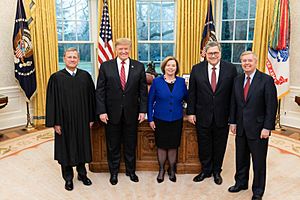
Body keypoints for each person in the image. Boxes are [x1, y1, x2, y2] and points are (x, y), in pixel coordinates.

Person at [96, 38, 148, 185]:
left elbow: (143, 91)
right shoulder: (106, 66)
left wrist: (143, 110)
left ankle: (131, 171)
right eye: (121, 49)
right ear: (116, 50)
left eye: (126, 49)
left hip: (132, 113)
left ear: (130, 49)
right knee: (113, 145)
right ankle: (113, 173)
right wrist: (102, 111)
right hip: (111, 114)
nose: (124, 51)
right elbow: (100, 91)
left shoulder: (138, 67)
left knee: (131, 144)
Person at [228, 51, 277, 200]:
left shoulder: (266, 80)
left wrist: (267, 127)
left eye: (249, 61)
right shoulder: (237, 80)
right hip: (241, 127)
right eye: (244, 61)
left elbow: (271, 106)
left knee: (258, 162)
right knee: (241, 158)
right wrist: (233, 122)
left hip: (259, 128)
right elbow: (234, 103)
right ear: (241, 63)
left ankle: (258, 190)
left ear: (255, 62)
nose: (247, 63)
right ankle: (241, 183)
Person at [187, 41, 237, 185]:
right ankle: (205, 170)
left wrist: (233, 117)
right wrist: (191, 112)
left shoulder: (230, 69)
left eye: (216, 53)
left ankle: (216, 171)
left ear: (220, 53)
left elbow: (234, 95)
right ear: (205, 54)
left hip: (223, 115)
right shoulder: (196, 69)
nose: (213, 55)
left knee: (220, 145)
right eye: (210, 53)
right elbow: (192, 93)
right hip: (202, 115)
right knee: (204, 144)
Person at [45, 47, 95, 191]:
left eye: (75, 57)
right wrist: (55, 122)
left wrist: (91, 117)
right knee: (65, 148)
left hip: (82, 119)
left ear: (78, 60)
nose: (72, 59)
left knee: (82, 146)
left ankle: (82, 174)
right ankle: (68, 178)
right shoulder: (56, 78)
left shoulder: (85, 76)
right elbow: (51, 101)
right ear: (64, 59)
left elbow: (92, 98)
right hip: (63, 120)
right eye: (69, 57)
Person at [147, 56, 188, 183]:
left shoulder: (181, 82)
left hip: (176, 119)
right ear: (164, 67)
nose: (171, 68)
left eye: (173, 66)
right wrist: (150, 119)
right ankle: (161, 170)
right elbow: (150, 101)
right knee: (161, 146)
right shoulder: (157, 82)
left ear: (176, 68)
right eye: (168, 65)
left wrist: (191, 111)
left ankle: (171, 169)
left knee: (173, 146)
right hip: (160, 119)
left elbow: (187, 98)